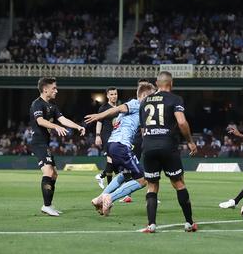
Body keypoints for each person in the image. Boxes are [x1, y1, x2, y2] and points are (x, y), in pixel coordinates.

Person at [85, 82, 156, 216]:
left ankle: (100, 198)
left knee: (125, 174)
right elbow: (118, 109)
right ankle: (110, 197)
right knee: (143, 179)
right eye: (152, 96)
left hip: (113, 145)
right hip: (121, 145)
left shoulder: (141, 110)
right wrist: (100, 116)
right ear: (145, 95)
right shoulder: (136, 104)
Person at [139, 71, 198, 233]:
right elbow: (181, 122)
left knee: (152, 186)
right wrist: (190, 142)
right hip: (167, 146)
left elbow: (143, 130)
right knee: (178, 183)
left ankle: (151, 224)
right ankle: (189, 223)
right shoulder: (175, 99)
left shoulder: (144, 102)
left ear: (157, 84)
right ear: (171, 84)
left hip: (149, 146)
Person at [28, 77, 86, 216]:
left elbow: (63, 119)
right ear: (45, 89)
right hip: (38, 142)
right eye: (54, 88)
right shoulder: (37, 104)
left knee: (54, 174)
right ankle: (46, 206)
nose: (56, 90)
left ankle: (49, 205)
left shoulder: (52, 106)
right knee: (48, 171)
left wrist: (78, 126)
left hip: (44, 143)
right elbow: (40, 121)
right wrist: (55, 127)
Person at [94, 87, 119, 189]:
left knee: (115, 162)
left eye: (115, 94)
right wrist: (98, 136)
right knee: (111, 160)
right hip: (107, 136)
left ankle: (101, 176)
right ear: (108, 95)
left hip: (118, 136)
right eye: (112, 94)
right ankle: (110, 188)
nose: (114, 96)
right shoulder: (103, 108)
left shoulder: (120, 107)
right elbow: (99, 122)